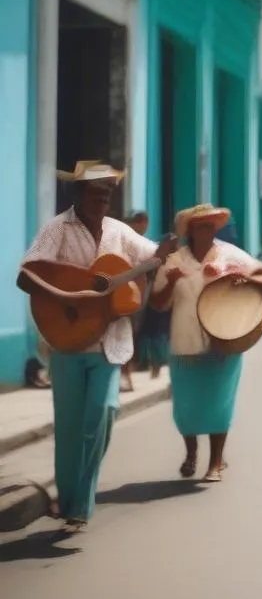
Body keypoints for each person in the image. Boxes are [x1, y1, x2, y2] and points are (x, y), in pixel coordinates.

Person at [17, 161, 172, 534]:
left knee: (101, 416)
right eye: (96, 192)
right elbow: (26, 275)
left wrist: (169, 248)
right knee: (70, 429)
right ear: (78, 194)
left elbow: (153, 255)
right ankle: (70, 503)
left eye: (108, 193)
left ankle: (80, 504)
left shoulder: (120, 232)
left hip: (110, 344)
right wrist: (71, 296)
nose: (103, 199)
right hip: (68, 343)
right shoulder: (57, 228)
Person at [150, 204, 262, 482]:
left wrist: (243, 276)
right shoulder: (175, 261)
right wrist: (172, 282)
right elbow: (158, 305)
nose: (207, 230)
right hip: (185, 343)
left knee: (220, 403)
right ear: (191, 230)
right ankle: (191, 453)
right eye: (201, 225)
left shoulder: (230, 255)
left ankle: (216, 461)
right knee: (185, 405)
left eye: (211, 225)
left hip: (224, 341)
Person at [123, 210, 171, 387]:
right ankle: (128, 370)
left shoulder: (144, 245)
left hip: (142, 294)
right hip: (128, 293)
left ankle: (133, 368)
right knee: (130, 331)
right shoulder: (128, 240)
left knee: (137, 331)